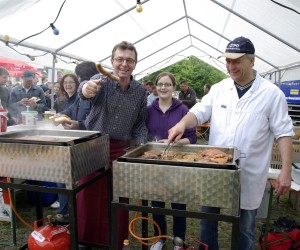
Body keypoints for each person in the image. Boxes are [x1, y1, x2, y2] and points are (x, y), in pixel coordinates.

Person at [167, 36, 294, 250]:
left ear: (251, 61)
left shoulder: (271, 94)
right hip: (216, 169)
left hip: (250, 171)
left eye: (236, 61)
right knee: (207, 220)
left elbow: (284, 132)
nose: (230, 66)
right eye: (227, 61)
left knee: (244, 226)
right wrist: (181, 124)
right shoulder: (219, 89)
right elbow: (198, 112)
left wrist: (286, 170)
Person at [77, 41, 148, 250]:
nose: (124, 64)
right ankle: (84, 241)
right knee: (87, 195)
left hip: (121, 150)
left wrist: (140, 147)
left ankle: (115, 242)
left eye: (129, 60)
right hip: (93, 146)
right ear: (112, 61)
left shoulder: (140, 92)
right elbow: (84, 90)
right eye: (120, 59)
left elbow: (140, 125)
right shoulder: (99, 80)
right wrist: (86, 88)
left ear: (135, 64)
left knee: (118, 197)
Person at [146, 72, 197, 250]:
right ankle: (159, 238)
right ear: (155, 87)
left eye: (167, 84)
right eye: (160, 84)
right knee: (157, 203)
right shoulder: (149, 110)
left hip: (177, 163)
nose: (163, 87)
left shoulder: (183, 110)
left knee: (178, 204)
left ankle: (178, 240)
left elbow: (192, 138)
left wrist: (175, 142)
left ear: (173, 88)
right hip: (156, 164)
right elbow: (144, 134)